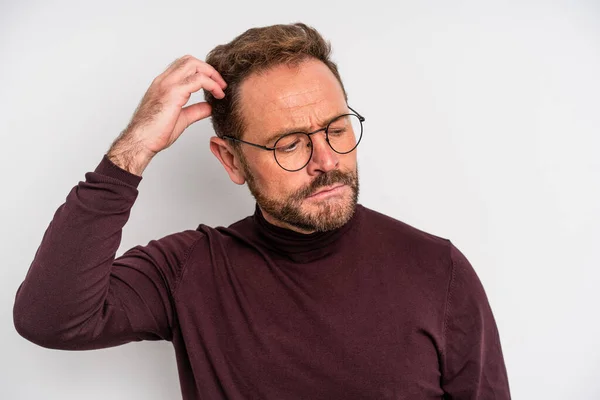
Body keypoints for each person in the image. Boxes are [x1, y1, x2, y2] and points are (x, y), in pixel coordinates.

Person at [13, 23, 511, 399]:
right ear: (232, 160)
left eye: (337, 130)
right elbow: (51, 318)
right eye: (289, 144)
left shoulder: (437, 270)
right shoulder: (190, 270)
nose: (326, 162)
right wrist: (133, 149)